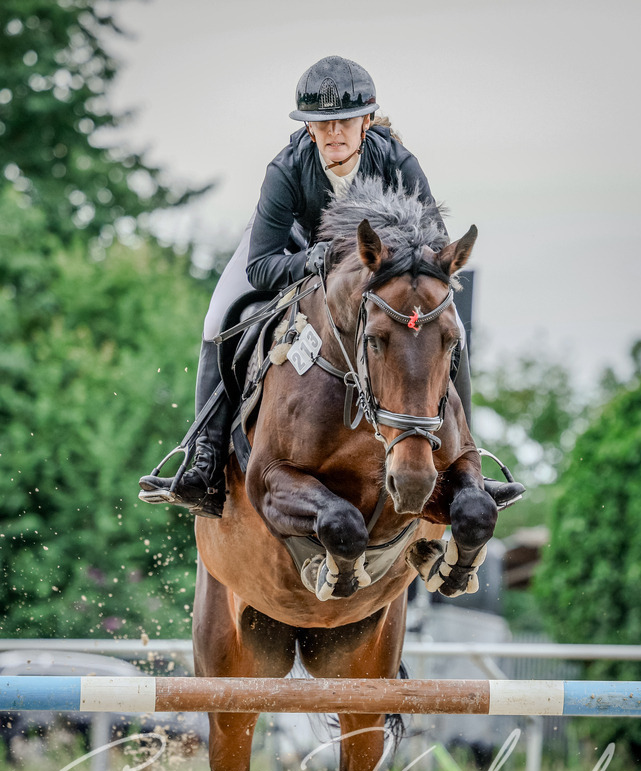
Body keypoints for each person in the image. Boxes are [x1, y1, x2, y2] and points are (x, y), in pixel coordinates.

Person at [139, 55, 523, 517]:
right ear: (309, 130)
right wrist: (312, 260)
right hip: (291, 250)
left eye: (344, 121)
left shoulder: (399, 161)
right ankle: (204, 459)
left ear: (367, 121)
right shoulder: (285, 170)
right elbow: (262, 264)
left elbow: (434, 253)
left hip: (378, 270)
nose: (334, 133)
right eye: (322, 124)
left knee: (447, 322)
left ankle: (468, 461)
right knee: (222, 316)